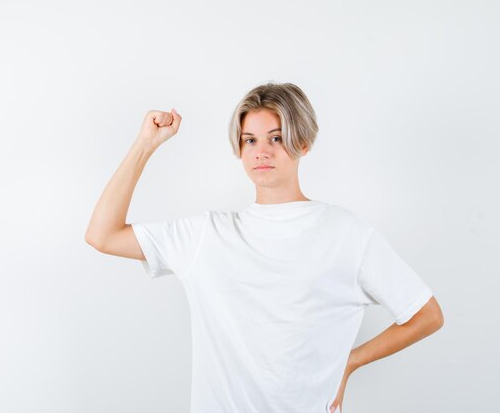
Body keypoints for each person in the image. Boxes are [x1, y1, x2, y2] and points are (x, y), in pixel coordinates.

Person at [85, 82, 444, 413]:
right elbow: (103, 235)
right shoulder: (206, 235)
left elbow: (426, 314)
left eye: (276, 138)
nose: (262, 152)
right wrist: (145, 144)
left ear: (303, 143)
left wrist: (349, 362)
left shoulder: (345, 233)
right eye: (250, 140)